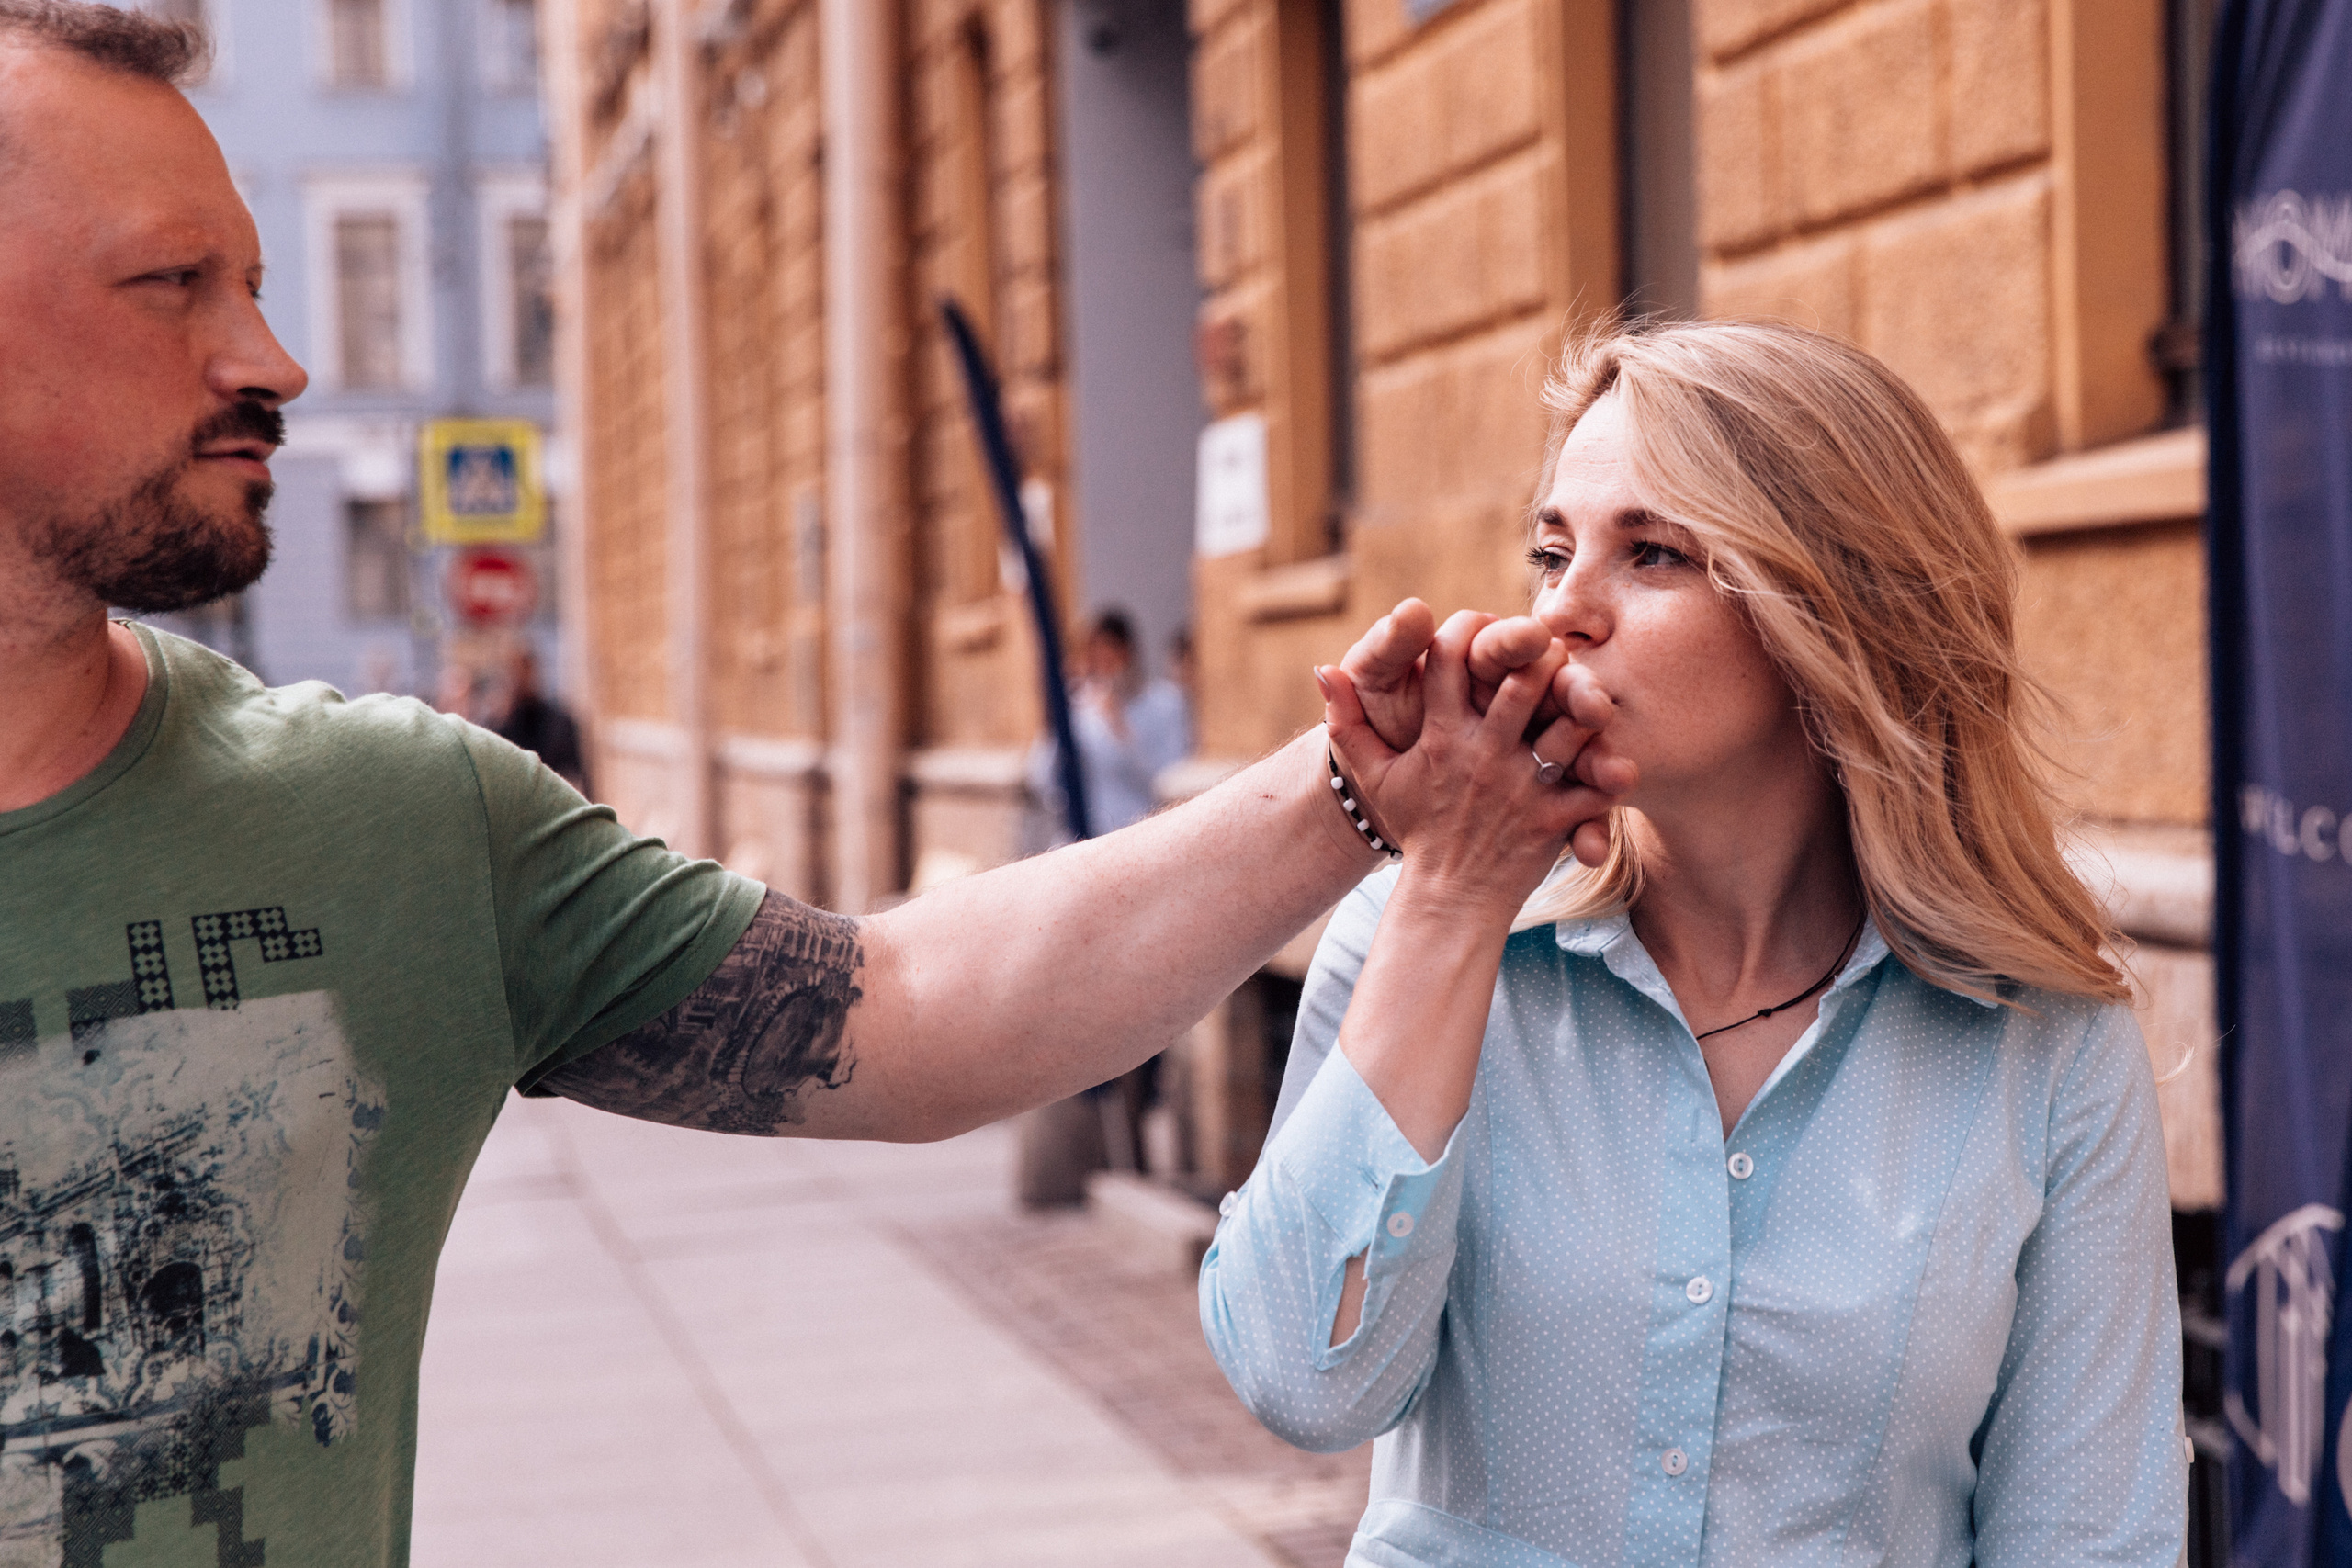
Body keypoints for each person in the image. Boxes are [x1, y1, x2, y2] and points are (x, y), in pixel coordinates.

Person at [0, 6, 1618, 1561]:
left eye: (260, 284)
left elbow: (906, 1011)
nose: (271, 357)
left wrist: (1355, 785)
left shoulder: (383, 828)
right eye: (175, 284)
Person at [1202, 321, 2188, 1565]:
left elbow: (2090, 1534)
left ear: (1835, 611)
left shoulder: (2043, 1039)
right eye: (1551, 550)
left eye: (1652, 553)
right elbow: (1303, 1377)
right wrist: (1450, 901)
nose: (1563, 610)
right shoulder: (1428, 938)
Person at [1029, 607, 1192, 837]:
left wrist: (1120, 728)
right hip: (1083, 839)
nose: (1103, 666)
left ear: (1128, 653)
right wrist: (1053, 723)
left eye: (1110, 655)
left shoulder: (1166, 703)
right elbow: (1041, 779)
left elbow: (1168, 780)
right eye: (1095, 658)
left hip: (1140, 834)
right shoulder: (1079, 711)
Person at [489, 641, 590, 795]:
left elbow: (581, 773)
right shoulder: (500, 725)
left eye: (523, 669)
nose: (519, 678)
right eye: (513, 671)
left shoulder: (558, 720)